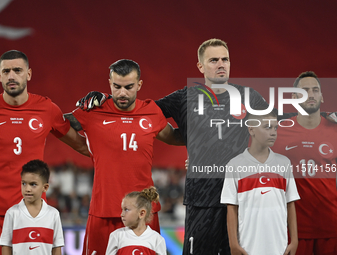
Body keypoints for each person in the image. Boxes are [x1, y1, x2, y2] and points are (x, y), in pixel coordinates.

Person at [75, 39, 269, 255]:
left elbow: (275, 130)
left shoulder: (250, 98)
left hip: (242, 197)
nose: (221, 64)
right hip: (201, 200)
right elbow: (137, 111)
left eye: (225, 59)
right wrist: (106, 99)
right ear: (201, 66)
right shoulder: (184, 98)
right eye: (214, 60)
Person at [65, 59, 183, 255]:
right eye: (116, 87)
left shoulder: (151, 111)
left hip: (144, 212)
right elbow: (60, 124)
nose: (122, 93)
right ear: (109, 83)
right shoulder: (94, 110)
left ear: (139, 85)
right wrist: (86, 148)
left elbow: (173, 138)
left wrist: (204, 131)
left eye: (128, 87)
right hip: (103, 209)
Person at [0, 50, 89, 255]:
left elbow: (82, 145)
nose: (12, 76)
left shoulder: (47, 109)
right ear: (0, 75)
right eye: (6, 71)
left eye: (17, 70)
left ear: (28, 74)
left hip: (34, 215)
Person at [272, 71, 337, 254]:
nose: (311, 94)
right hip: (293, 230)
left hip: (331, 226)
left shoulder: (334, 128)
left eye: (315, 90)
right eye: (305, 90)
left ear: (322, 97)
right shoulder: (279, 132)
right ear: (294, 97)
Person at [220, 110, 300, 255]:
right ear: (251, 129)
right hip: (248, 247)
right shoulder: (235, 165)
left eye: (275, 127)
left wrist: (294, 240)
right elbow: (231, 207)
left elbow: (290, 203)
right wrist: (233, 244)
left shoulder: (284, 163)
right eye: (267, 127)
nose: (273, 132)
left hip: (279, 247)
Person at [0, 159, 64, 255]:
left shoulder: (53, 214)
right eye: (24, 183)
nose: (27, 189)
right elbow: (6, 246)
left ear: (45, 187)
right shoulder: (12, 213)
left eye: (33, 184)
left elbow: (56, 248)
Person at [106, 186, 167, 255]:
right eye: (122, 209)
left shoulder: (157, 239)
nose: (121, 214)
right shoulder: (116, 235)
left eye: (126, 209)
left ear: (141, 213)